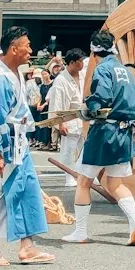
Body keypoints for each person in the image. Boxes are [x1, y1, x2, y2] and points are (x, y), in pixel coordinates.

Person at [0, 26, 53, 268]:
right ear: (13, 48)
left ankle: (27, 246)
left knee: (26, 190)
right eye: (27, 45)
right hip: (5, 145)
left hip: (19, 143)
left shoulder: (15, 74)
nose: (31, 50)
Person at [64, 30, 135, 248]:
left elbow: (102, 97)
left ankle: (80, 231)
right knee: (115, 182)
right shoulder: (126, 71)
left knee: (83, 182)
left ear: (93, 52)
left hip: (103, 132)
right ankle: (134, 220)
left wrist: (88, 107)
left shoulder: (102, 69)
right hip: (123, 133)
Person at [47, 49, 86, 178]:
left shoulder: (82, 75)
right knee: (69, 150)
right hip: (69, 119)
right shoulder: (61, 80)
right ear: (72, 62)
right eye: (79, 61)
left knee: (83, 150)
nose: (82, 64)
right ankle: (69, 177)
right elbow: (57, 103)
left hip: (83, 117)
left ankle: (81, 175)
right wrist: (60, 123)